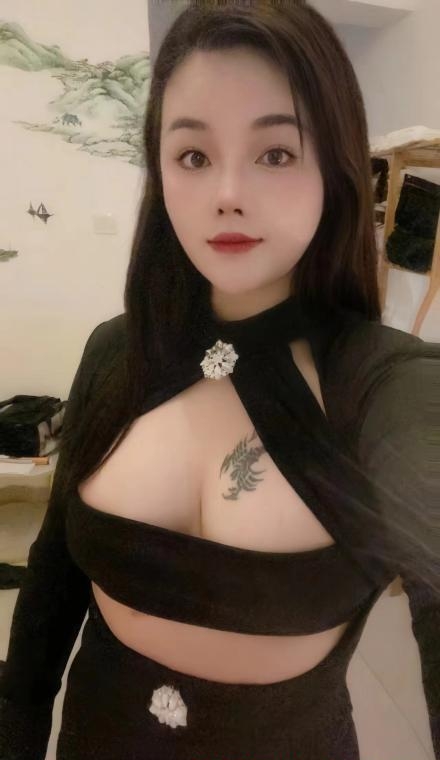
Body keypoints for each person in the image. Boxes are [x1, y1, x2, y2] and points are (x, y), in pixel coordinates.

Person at [1, 1, 439, 758]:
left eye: (276, 153)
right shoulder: (115, 351)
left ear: (336, 170)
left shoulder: (384, 386)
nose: (227, 191)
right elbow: (51, 584)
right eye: (194, 156)